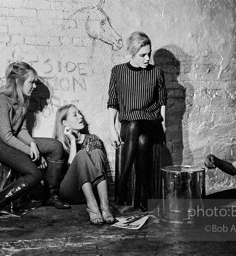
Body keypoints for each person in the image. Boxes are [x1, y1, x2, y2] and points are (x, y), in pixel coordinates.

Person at [0, 62, 70, 222]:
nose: (34, 86)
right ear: (17, 82)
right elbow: (6, 136)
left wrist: (33, 144)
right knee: (33, 173)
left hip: (12, 137)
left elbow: (21, 130)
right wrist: (31, 152)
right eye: (31, 82)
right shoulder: (1, 100)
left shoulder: (24, 100)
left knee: (56, 146)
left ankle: (50, 195)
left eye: (34, 82)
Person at [107, 31, 167, 212]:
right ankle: (144, 196)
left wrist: (164, 126)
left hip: (151, 122)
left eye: (149, 53)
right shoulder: (118, 71)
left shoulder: (157, 72)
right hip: (129, 125)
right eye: (143, 55)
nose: (148, 58)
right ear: (131, 54)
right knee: (139, 137)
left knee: (141, 131)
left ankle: (121, 185)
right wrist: (111, 128)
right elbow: (113, 102)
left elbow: (162, 102)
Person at [54, 104, 115, 225]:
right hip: (70, 192)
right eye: (75, 115)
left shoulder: (92, 139)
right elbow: (67, 170)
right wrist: (72, 140)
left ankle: (104, 206)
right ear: (65, 122)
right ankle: (93, 207)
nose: (81, 117)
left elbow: (100, 165)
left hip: (92, 190)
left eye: (80, 113)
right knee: (81, 154)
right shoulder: (58, 143)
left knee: (97, 152)